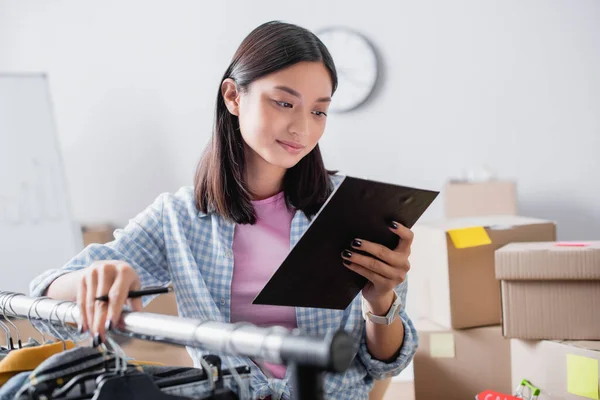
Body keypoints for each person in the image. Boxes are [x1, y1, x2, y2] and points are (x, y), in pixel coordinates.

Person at [30, 20, 418, 400]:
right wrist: (96, 278)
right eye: (284, 102)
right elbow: (45, 303)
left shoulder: (351, 207)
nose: (303, 128)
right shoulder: (179, 218)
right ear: (233, 96)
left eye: (319, 111)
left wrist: (380, 300)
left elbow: (385, 363)